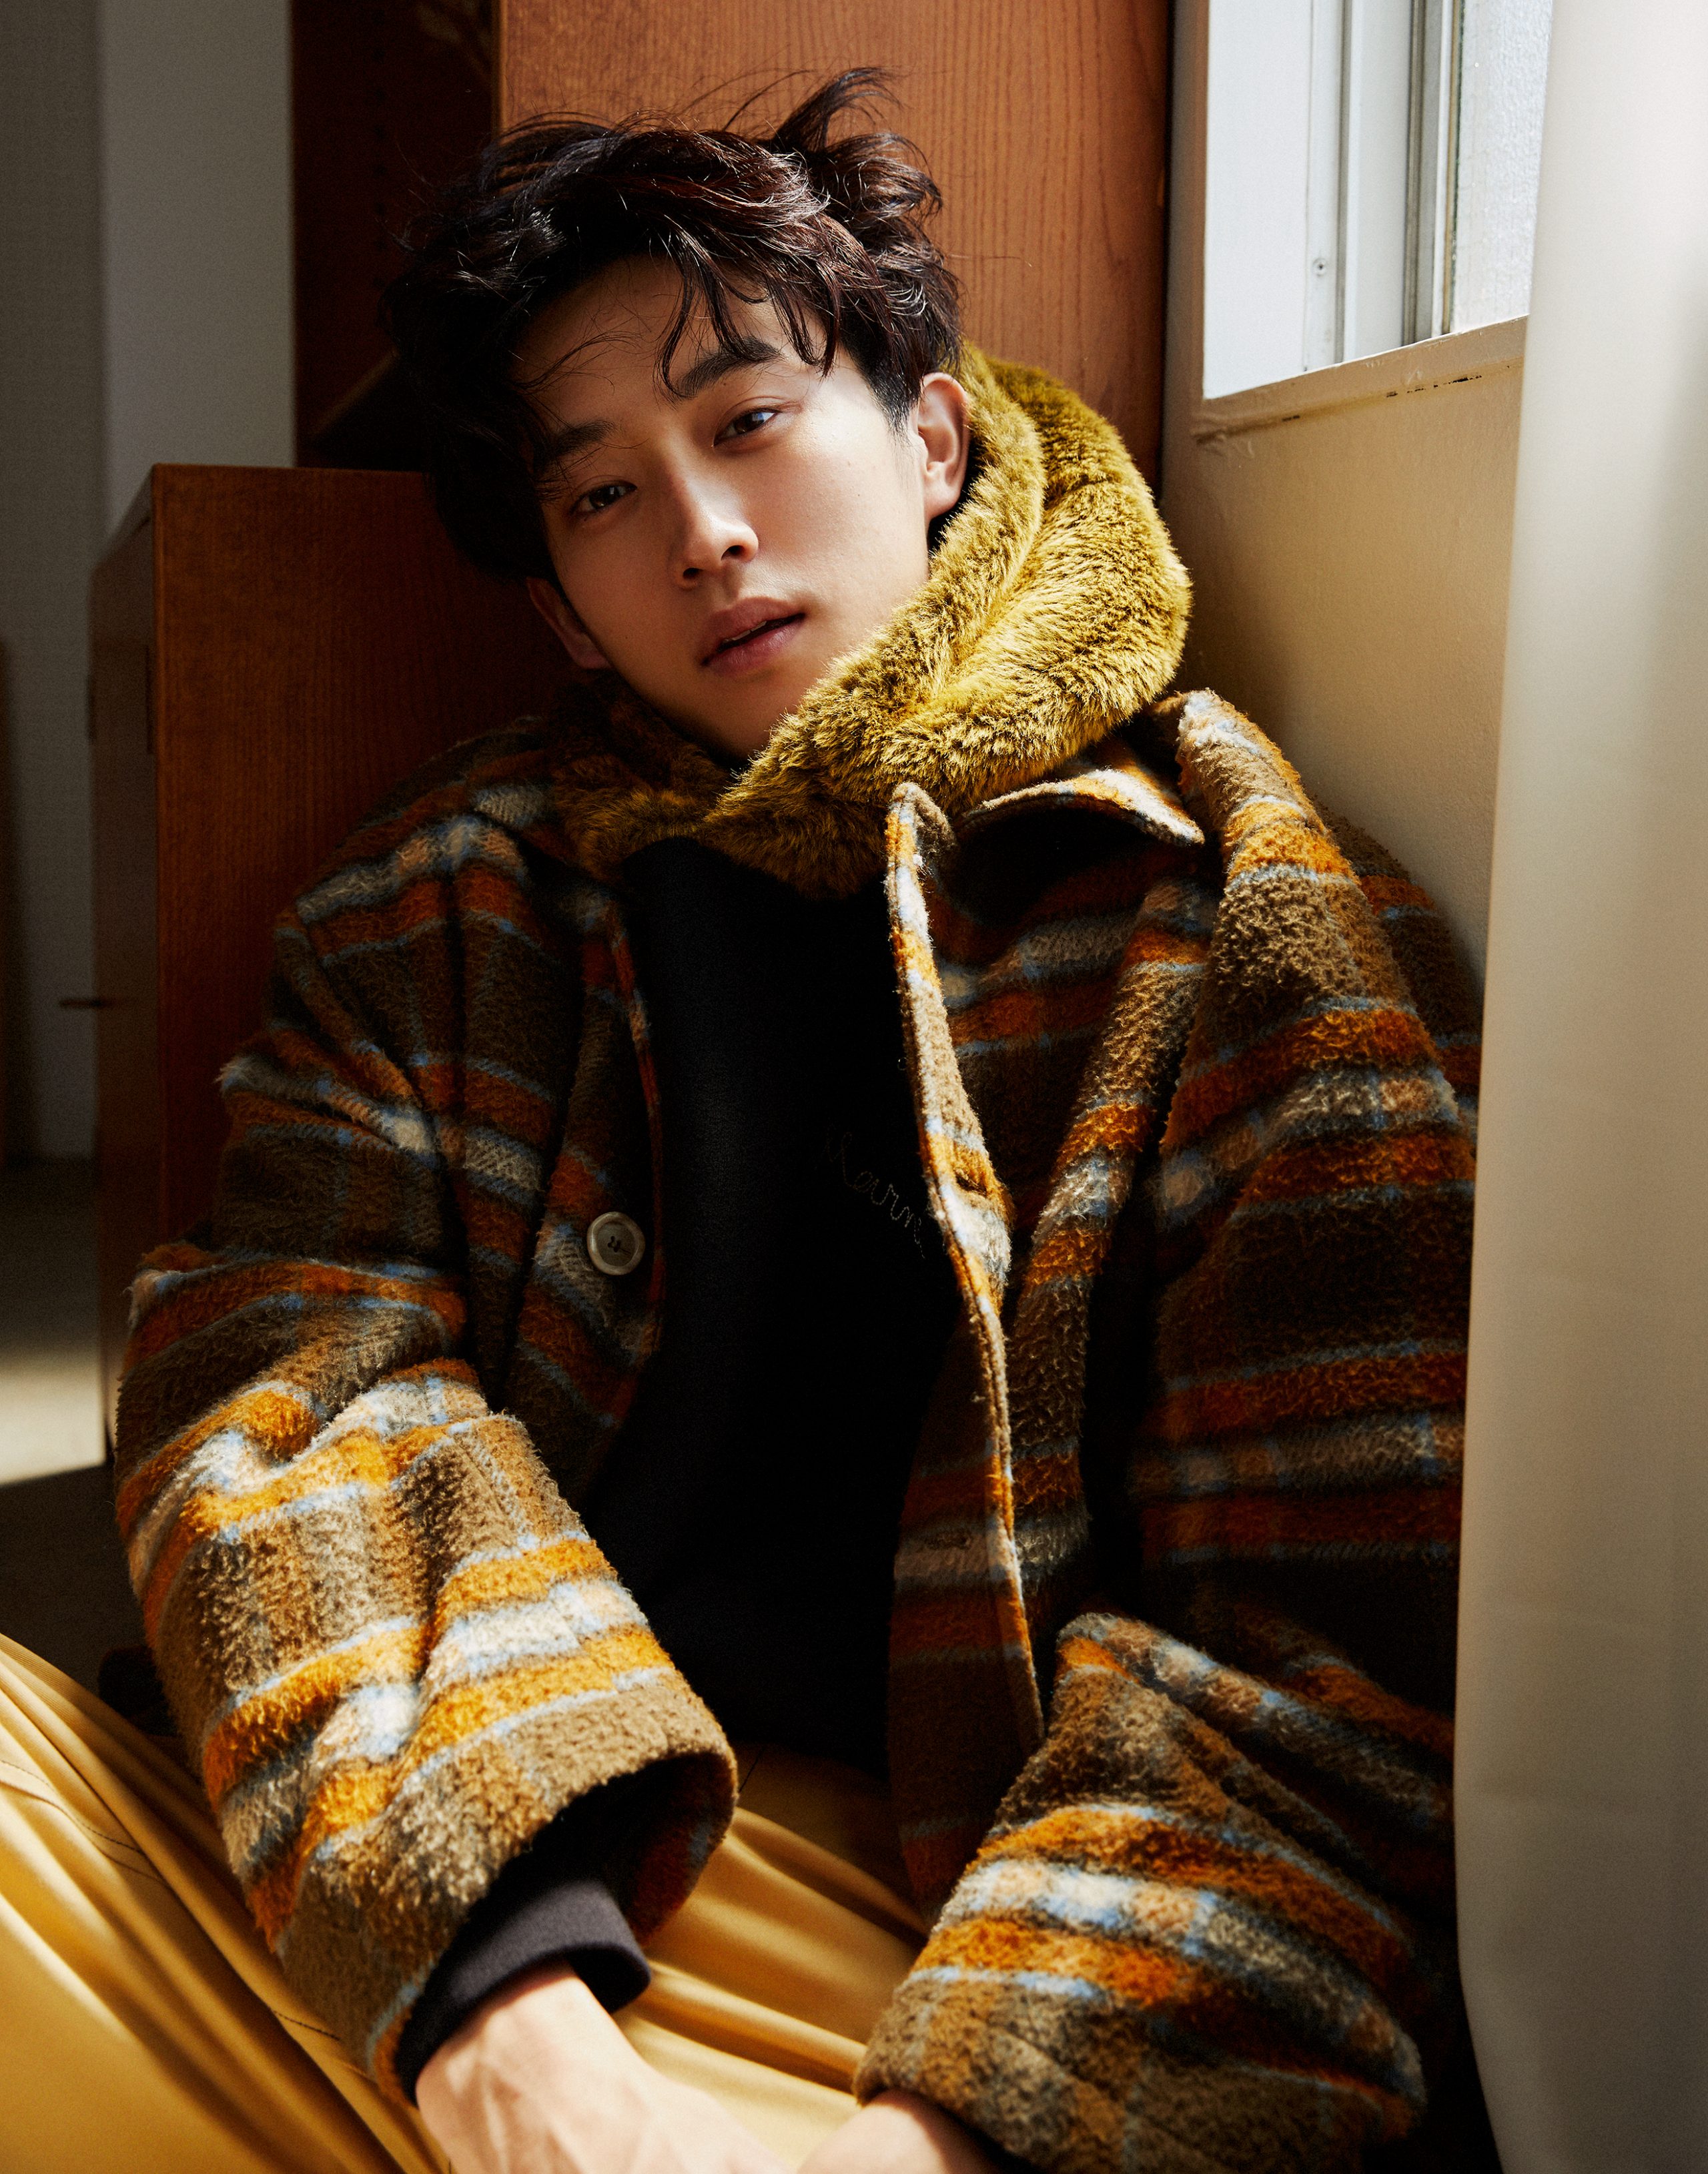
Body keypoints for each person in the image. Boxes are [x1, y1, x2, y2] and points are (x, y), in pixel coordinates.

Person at [0, 73, 1488, 2174]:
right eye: (602, 492)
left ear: (935, 438)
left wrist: (932, 2147)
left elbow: (1320, 1670)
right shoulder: (437, 909)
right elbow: (286, 1398)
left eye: (753, 418)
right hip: (485, 1865)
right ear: (556, 600)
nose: (698, 528)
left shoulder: (1238, 914)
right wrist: (519, 2051)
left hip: (974, 1950)